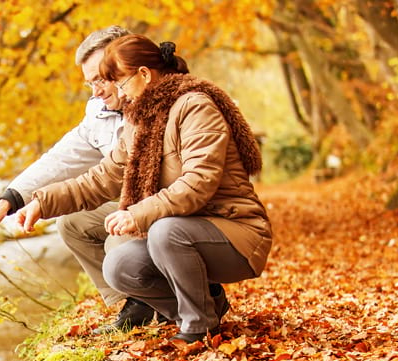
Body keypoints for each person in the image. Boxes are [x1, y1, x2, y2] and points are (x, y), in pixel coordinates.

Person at [16, 35, 271, 344]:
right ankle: (204, 307)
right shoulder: (139, 122)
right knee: (120, 265)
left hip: (236, 233)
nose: (119, 94)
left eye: (121, 84)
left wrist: (138, 213)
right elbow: (100, 179)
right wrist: (41, 203)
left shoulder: (195, 107)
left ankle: (198, 326)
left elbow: (198, 182)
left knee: (165, 231)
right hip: (188, 229)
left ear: (144, 75)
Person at [0, 26, 164, 331]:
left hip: (173, 214)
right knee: (73, 222)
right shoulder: (100, 113)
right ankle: (135, 305)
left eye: (102, 79)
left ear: (124, 66)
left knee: (119, 242)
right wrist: (9, 200)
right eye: (91, 83)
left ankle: (173, 298)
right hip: (139, 210)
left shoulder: (160, 104)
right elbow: (60, 160)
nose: (97, 91)